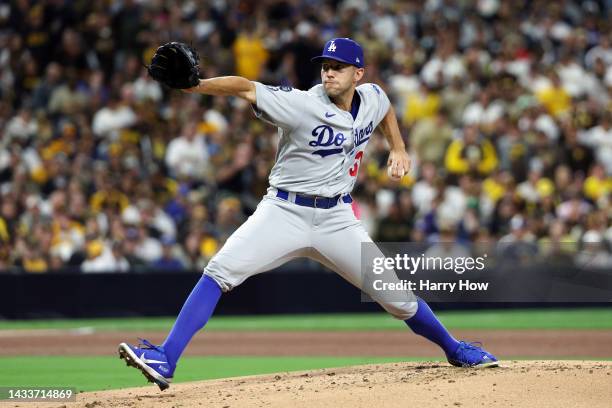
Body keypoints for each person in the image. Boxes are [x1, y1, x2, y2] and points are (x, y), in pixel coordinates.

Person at [118, 38, 497, 391]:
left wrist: (397, 146)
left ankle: (454, 349)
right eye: (325, 66)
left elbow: (385, 109)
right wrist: (196, 86)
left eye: (339, 67)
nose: (329, 73)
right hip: (284, 211)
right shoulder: (301, 103)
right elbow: (246, 86)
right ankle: (166, 358)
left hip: (337, 220)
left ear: (358, 74)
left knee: (396, 297)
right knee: (220, 271)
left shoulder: (373, 96)